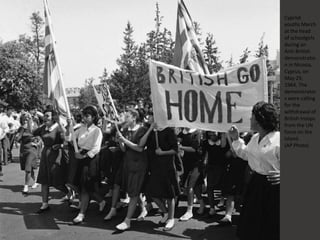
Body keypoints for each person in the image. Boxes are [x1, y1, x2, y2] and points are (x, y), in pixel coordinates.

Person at [228, 101, 280, 240]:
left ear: (260, 119)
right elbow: (246, 154)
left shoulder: (278, 140)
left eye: (252, 116)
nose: (250, 119)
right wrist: (236, 139)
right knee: (252, 223)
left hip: (274, 188)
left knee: (270, 224)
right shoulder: (255, 137)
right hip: (256, 184)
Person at [104, 108, 148, 231]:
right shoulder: (124, 129)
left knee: (133, 192)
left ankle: (127, 220)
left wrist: (124, 141)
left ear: (134, 117)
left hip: (139, 165)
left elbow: (139, 148)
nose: (125, 119)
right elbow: (124, 150)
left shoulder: (142, 130)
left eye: (127, 116)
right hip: (127, 164)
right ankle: (143, 209)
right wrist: (120, 142)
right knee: (133, 190)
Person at [143, 115, 180, 231]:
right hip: (155, 167)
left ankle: (171, 218)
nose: (150, 119)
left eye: (153, 116)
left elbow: (175, 149)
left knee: (170, 194)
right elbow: (143, 145)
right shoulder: (152, 132)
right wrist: (150, 129)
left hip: (167, 167)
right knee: (152, 193)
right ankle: (165, 212)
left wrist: (163, 152)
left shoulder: (169, 131)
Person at [70, 105, 105, 224]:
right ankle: (101, 201)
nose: (85, 118)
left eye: (87, 115)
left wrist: (84, 156)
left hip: (90, 159)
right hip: (80, 157)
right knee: (79, 185)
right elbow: (70, 138)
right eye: (84, 115)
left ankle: (82, 213)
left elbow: (96, 148)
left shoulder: (97, 130)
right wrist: (69, 127)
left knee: (86, 186)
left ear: (93, 117)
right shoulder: (81, 128)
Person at [33, 106, 69, 213]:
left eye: (47, 116)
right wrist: (31, 120)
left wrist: (60, 145)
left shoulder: (58, 128)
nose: (45, 118)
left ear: (53, 117)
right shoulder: (43, 128)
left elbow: (67, 140)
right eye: (44, 116)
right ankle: (44, 204)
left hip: (56, 155)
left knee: (57, 181)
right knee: (44, 180)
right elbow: (33, 132)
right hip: (45, 155)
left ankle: (69, 192)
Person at [178, 128, 204, 221]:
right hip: (186, 162)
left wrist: (180, 147)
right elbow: (178, 140)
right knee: (195, 187)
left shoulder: (197, 132)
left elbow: (194, 148)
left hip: (197, 162)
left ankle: (189, 211)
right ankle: (202, 204)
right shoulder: (183, 132)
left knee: (190, 186)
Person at [15, 113, 40, 194]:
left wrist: (36, 143)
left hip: (32, 149)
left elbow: (39, 138)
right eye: (24, 119)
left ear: (30, 119)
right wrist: (22, 130)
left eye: (27, 118)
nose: (25, 120)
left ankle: (26, 186)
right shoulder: (21, 128)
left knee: (28, 168)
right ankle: (36, 181)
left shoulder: (34, 127)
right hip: (23, 149)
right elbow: (18, 139)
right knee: (29, 168)